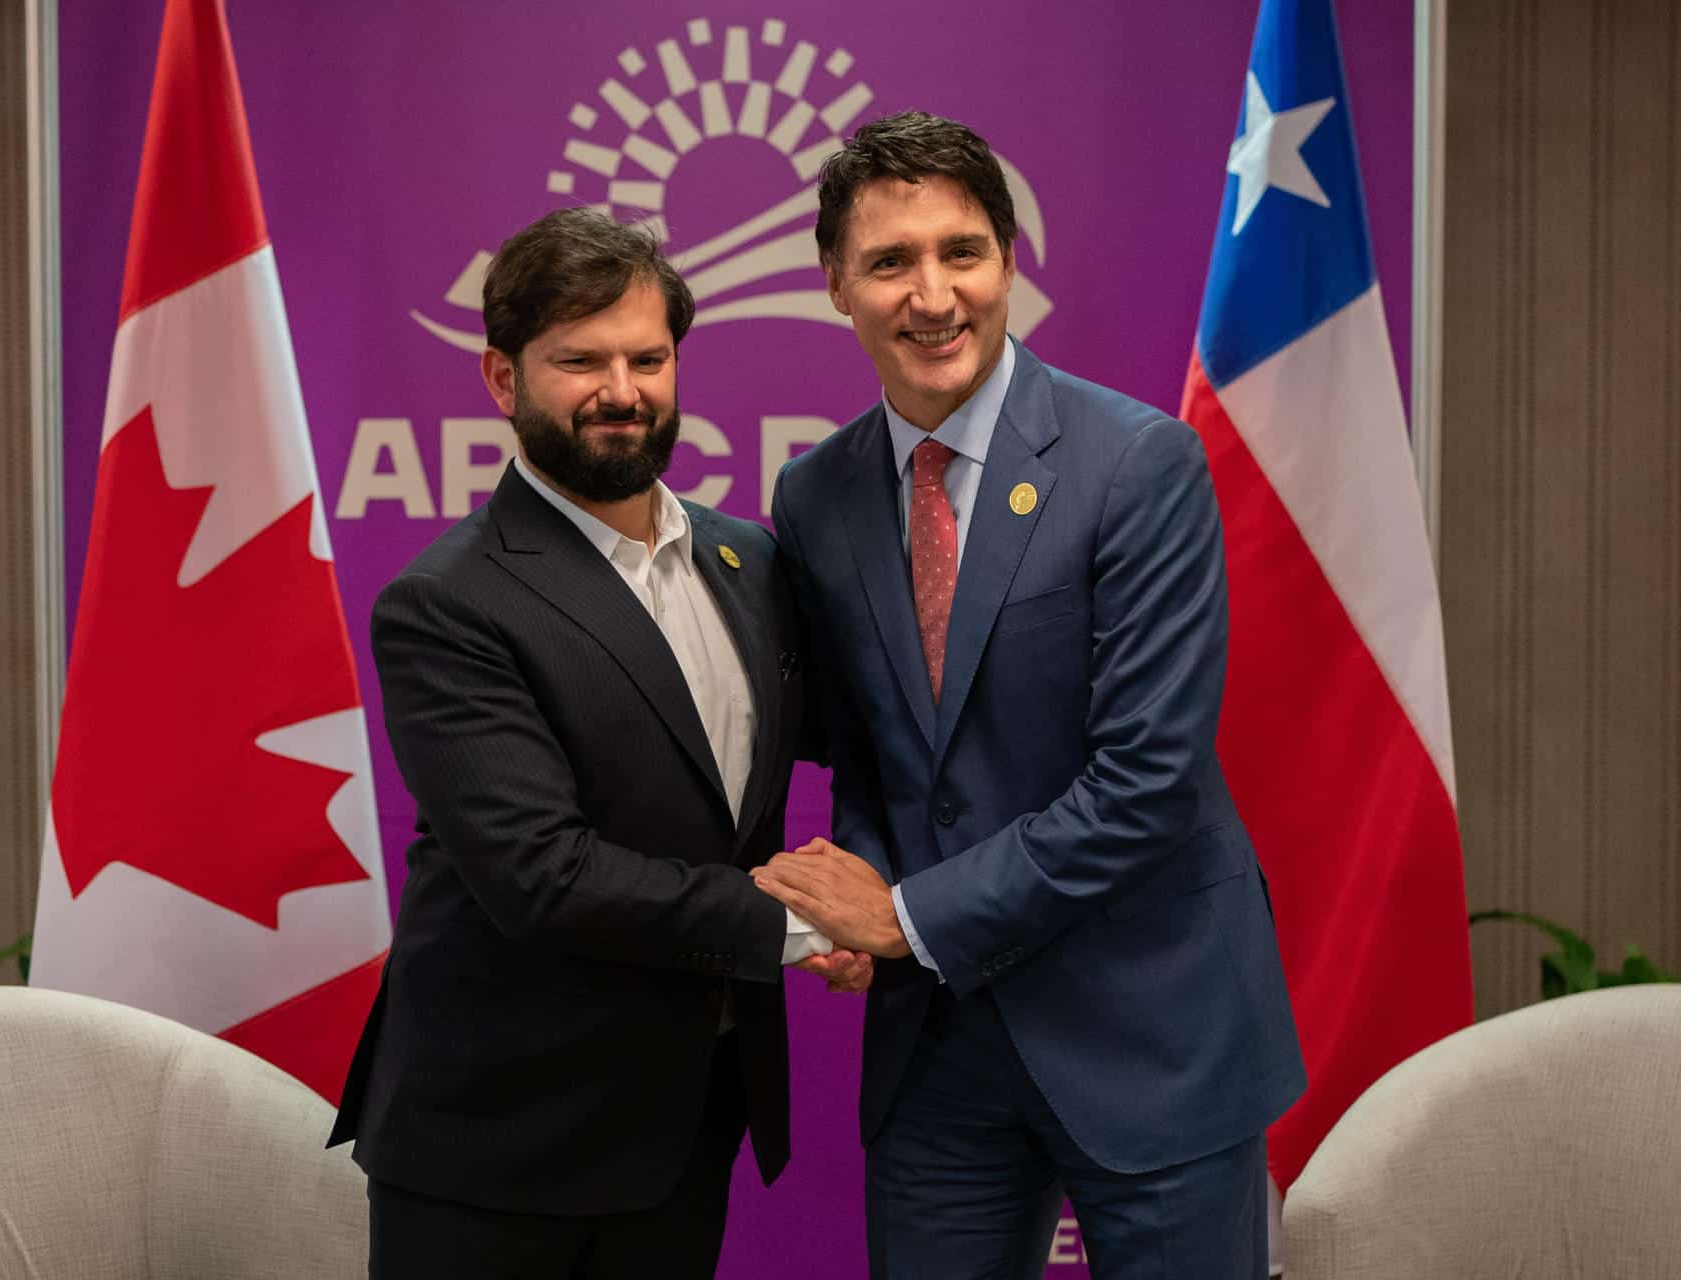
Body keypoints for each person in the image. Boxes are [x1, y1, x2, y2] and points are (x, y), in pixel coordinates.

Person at [754, 112, 1306, 1279]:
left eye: (962, 251)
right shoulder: (814, 494)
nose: (933, 294)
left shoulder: (1138, 464)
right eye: (890, 261)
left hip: (1150, 1024)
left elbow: (1144, 783)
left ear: (1009, 262)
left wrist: (899, 916)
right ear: (835, 286)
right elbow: (872, 752)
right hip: (940, 1046)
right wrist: (856, 894)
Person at [329, 207, 864, 1280]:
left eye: (647, 357)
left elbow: (834, 755)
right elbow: (543, 874)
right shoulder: (446, 602)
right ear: (501, 377)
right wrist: (806, 926)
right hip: (497, 1144)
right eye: (579, 359)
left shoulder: (746, 560)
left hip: (684, 1122)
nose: (622, 389)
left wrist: (894, 895)